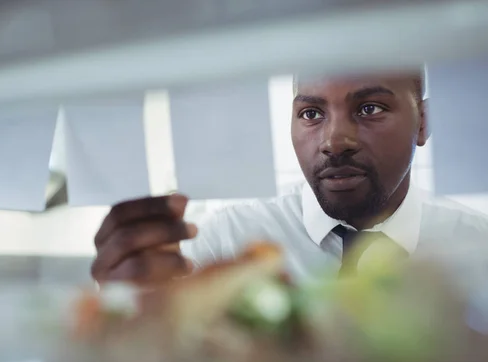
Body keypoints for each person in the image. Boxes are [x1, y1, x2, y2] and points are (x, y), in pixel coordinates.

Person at [91, 69, 488, 285]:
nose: (335, 141)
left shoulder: (478, 250)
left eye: (369, 108)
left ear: (423, 123)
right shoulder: (227, 245)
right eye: (311, 114)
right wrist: (128, 299)